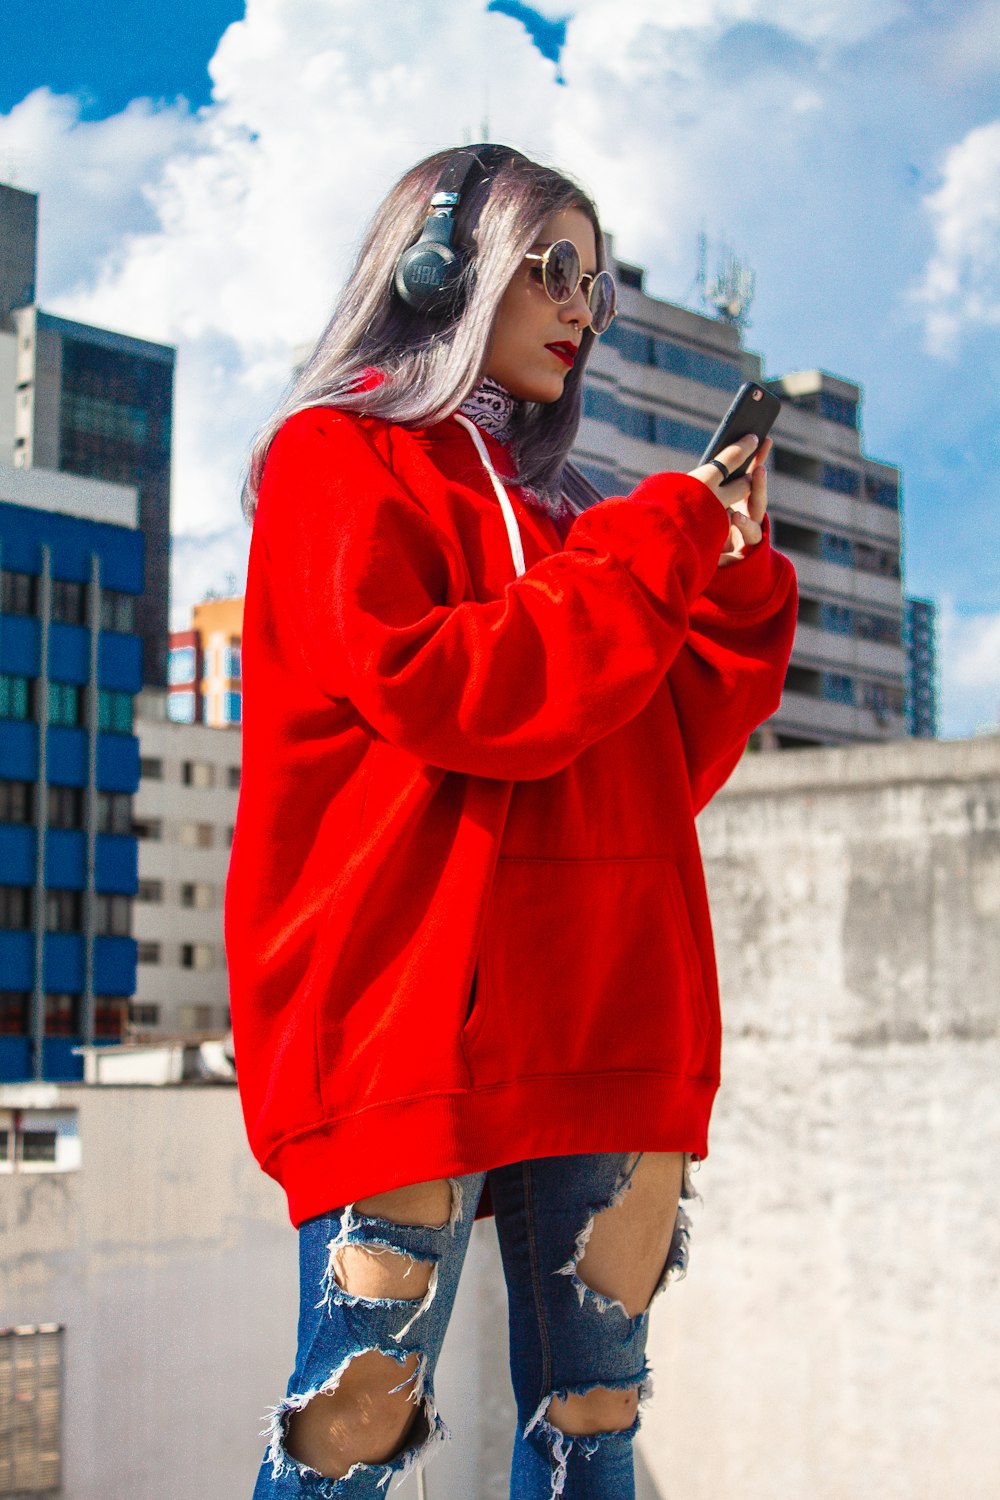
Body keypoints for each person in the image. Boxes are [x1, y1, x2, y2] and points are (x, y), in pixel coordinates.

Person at [225, 143, 797, 1499]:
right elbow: (468, 695)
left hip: (602, 1021)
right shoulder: (334, 464)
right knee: (350, 1432)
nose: (584, 307)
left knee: (596, 1428)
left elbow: (652, 754)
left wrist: (723, 574)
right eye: (555, 268)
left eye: (595, 281)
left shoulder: (573, 521)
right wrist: (657, 543)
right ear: (437, 269)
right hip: (410, 1035)